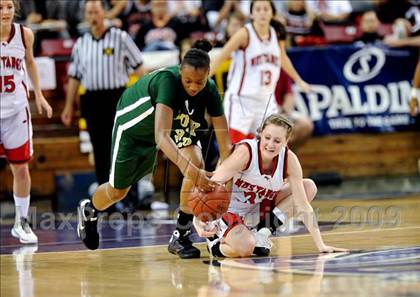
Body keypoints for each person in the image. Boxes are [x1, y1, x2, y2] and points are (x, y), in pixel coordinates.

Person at [76, 40, 231, 257]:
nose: (194, 87)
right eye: (188, 81)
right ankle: (90, 210)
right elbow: (161, 136)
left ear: (208, 75)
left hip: (170, 124)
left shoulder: (211, 90)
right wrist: (193, 173)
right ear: (180, 72)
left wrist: (225, 179)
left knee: (196, 161)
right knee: (118, 191)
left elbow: (225, 143)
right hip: (134, 128)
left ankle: (181, 236)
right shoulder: (168, 82)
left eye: (200, 82)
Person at [193, 114, 348, 258]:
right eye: (267, 138)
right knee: (246, 248)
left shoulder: (289, 160)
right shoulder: (245, 153)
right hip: (227, 210)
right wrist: (198, 220)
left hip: (254, 209)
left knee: (308, 187)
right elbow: (209, 186)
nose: (270, 144)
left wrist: (321, 245)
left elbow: (303, 205)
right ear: (261, 134)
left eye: (277, 141)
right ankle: (215, 245)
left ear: (286, 142)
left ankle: (262, 232)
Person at [61, 0, 144, 196]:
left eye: (96, 12)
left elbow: (139, 67)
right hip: (92, 100)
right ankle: (105, 198)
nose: (93, 17)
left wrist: (148, 96)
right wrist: (68, 107)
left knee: (123, 147)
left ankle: (131, 195)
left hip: (117, 98)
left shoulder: (120, 38)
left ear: (103, 13)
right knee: (99, 150)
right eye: (89, 13)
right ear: (85, 16)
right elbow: (74, 77)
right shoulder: (81, 43)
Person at [210, 0, 312, 145]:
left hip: (266, 101)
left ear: (272, 12)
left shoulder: (276, 34)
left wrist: (299, 80)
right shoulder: (244, 34)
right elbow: (221, 57)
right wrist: (201, 81)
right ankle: (219, 168)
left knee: (270, 147)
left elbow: (283, 58)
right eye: (258, 9)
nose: (262, 12)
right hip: (242, 101)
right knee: (233, 151)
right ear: (252, 13)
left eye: (266, 9)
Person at [0, 0, 53, 243]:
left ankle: (21, 222)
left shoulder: (24, 34)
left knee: (20, 168)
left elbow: (30, 62)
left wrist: (39, 95)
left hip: (16, 110)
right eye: (0, 7)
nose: (6, 12)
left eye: (9, 6)